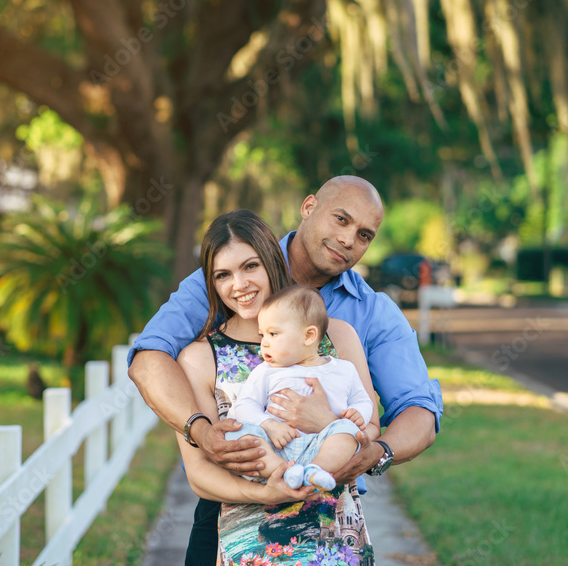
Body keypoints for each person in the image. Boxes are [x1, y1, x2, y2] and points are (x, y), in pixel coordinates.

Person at [129, 176, 443, 562]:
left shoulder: (357, 323)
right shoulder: (235, 267)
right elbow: (148, 359)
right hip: (232, 512)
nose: (348, 239)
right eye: (340, 219)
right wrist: (203, 432)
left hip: (329, 509)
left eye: (364, 234)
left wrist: (370, 450)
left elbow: (417, 411)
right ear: (308, 207)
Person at [176, 210, 378, 565]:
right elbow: (200, 474)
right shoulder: (198, 357)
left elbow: (368, 432)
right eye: (223, 274)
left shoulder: (338, 337)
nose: (238, 285)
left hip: (333, 540)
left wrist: (326, 422)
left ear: (271, 261)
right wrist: (267, 490)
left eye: (250, 266)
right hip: (250, 541)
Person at [225, 285, 376, 492]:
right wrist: (269, 425)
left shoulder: (344, 369)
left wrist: (359, 413)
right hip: (275, 445)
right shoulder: (266, 371)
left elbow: (363, 400)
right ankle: (285, 471)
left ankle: (316, 470)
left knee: (348, 432)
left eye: (273, 333)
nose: (264, 344)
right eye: (262, 335)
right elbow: (245, 404)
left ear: (309, 336)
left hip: (322, 445)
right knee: (238, 433)